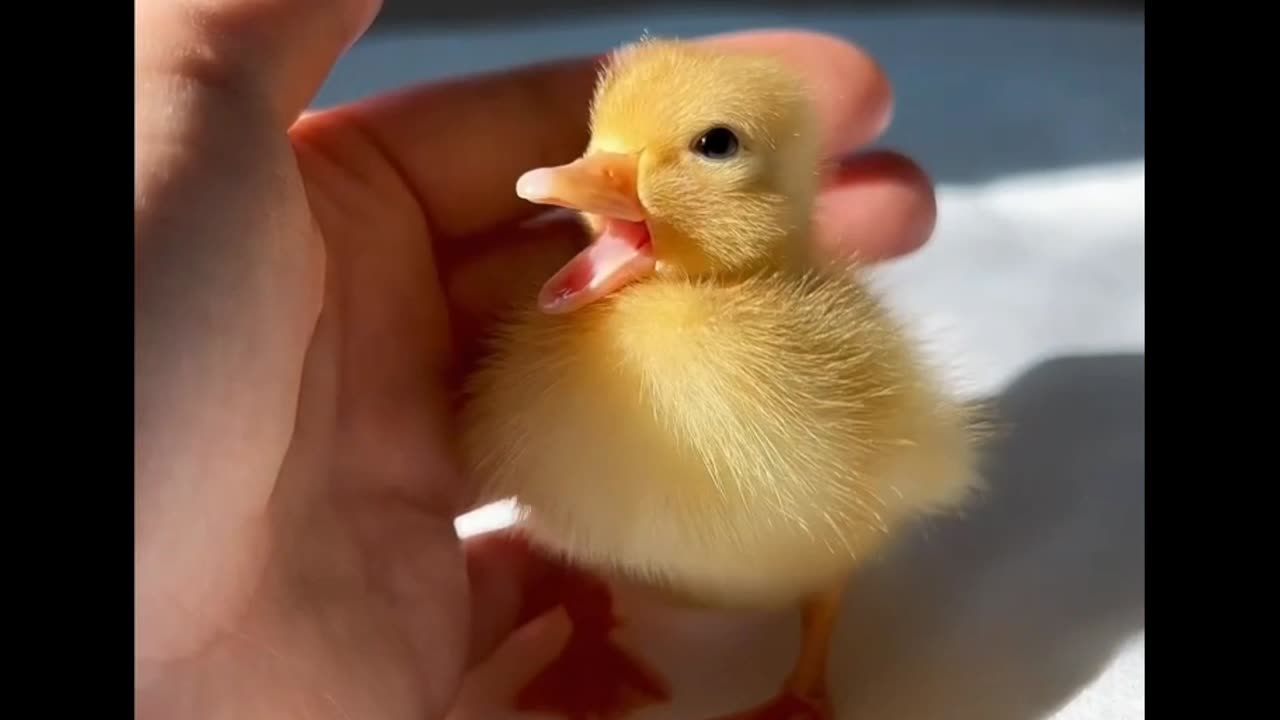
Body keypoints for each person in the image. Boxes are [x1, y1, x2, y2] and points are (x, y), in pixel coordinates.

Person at [134, 0, 939, 716]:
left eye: (712, 147)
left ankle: (806, 681)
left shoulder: (810, 352)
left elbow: (908, 458)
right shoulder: (557, 354)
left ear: (786, 186)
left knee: (824, 561)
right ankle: (589, 625)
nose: (594, 175)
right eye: (603, 148)